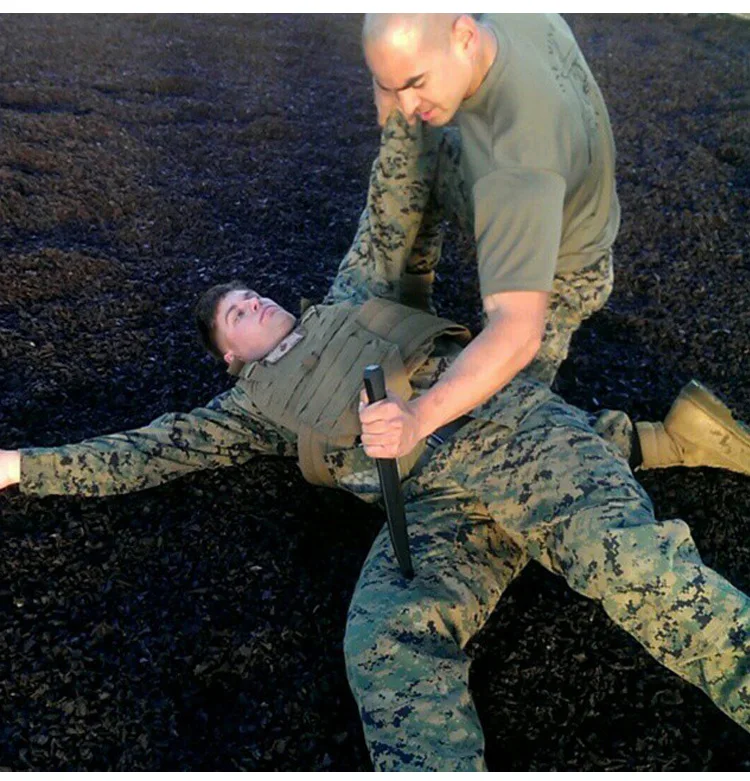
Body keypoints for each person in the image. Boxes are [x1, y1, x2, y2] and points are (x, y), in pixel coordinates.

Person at [1, 115, 749, 772]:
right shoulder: (251, 409)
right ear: (230, 357)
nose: (252, 303)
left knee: (632, 565)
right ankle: (660, 436)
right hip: (428, 508)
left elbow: (388, 206)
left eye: (251, 294)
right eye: (235, 314)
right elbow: (147, 451)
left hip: (508, 432)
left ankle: (656, 449)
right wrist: (19, 467)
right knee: (384, 639)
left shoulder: (349, 298)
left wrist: (405, 116)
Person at [358, 13, 750, 482]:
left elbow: (517, 331)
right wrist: (395, 88)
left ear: (464, 36)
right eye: (390, 84)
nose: (403, 102)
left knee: (501, 434)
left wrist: (418, 417)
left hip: (564, 268)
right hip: (566, 199)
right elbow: (405, 91)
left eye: (416, 83)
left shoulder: (517, 159)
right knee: (415, 148)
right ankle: (406, 306)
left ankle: (662, 439)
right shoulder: (509, 17)